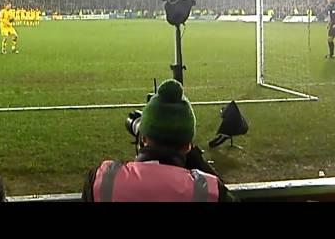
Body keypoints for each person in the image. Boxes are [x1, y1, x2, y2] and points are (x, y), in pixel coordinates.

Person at [82, 79, 236, 202]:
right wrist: (197, 161)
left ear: (142, 138)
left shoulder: (102, 180)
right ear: (187, 145)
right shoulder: (208, 190)